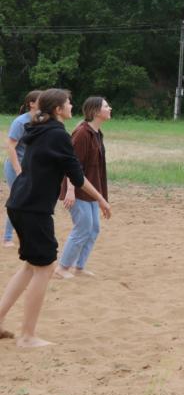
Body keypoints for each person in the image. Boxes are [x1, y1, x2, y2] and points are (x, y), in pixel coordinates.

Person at [0, 89, 111, 347]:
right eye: (68, 102)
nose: (72, 105)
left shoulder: (39, 129)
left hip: (19, 203)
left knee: (31, 265)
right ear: (59, 109)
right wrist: (102, 200)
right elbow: (78, 177)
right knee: (46, 266)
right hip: (33, 207)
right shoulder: (58, 134)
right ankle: (27, 336)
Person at [55, 97, 112, 279]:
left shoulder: (96, 133)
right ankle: (62, 267)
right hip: (78, 189)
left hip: (91, 190)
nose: (109, 108)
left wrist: (100, 195)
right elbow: (73, 165)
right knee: (83, 227)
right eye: (105, 106)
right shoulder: (82, 133)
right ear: (95, 112)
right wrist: (70, 190)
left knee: (93, 228)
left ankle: (79, 267)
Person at [3, 90, 40, 248]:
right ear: (31, 103)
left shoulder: (41, 121)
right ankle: (7, 237)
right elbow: (10, 148)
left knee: (30, 200)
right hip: (15, 167)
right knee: (18, 200)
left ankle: (26, 233)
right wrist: (19, 171)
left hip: (31, 167)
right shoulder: (20, 122)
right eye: (41, 100)